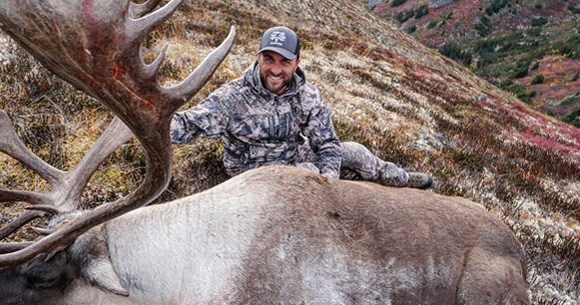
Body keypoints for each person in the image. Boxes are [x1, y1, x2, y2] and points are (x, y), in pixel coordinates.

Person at [171, 26, 433, 189]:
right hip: (249, 173)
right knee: (306, 174)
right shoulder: (232, 97)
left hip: (291, 155)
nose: (275, 69)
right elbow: (187, 125)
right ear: (258, 57)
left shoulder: (307, 96)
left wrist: (330, 179)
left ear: (297, 62)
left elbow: (327, 144)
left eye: (284, 62)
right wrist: (146, 121)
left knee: (353, 151)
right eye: (268, 59)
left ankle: (399, 179)